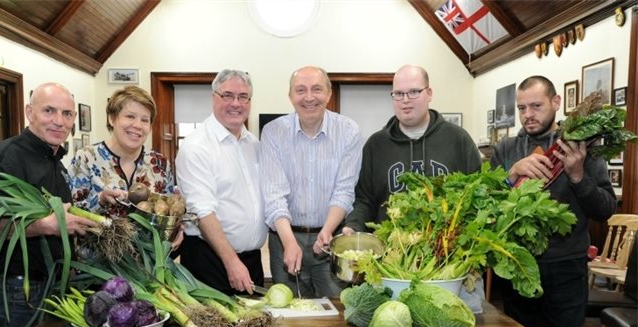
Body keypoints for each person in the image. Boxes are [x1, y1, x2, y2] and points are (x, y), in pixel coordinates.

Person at [490, 75, 616, 327]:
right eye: (522, 108)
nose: (528, 114)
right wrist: (510, 175)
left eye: (536, 106)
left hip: (566, 268)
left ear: (556, 103)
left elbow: (604, 209)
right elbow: (488, 204)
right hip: (518, 268)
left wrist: (577, 176)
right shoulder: (506, 149)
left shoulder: (583, 145)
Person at [0, 82, 96, 327]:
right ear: (30, 112)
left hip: (50, 283)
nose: (59, 120)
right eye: (49, 111)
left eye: (67, 114)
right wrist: (50, 226)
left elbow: (57, 211)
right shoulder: (6, 158)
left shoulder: (52, 158)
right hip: (16, 287)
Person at [259, 66, 362, 298]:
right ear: (290, 96)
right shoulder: (273, 132)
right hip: (284, 238)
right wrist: (289, 242)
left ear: (328, 93)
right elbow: (274, 195)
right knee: (289, 315)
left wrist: (327, 231)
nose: (309, 97)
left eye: (316, 89)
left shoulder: (348, 131)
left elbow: (344, 191)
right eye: (300, 90)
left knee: (337, 312)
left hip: (330, 239)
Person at [343, 65, 481, 232]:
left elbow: (476, 195)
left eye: (414, 92)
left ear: (429, 93)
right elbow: (364, 200)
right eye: (398, 94)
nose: (405, 100)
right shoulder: (375, 145)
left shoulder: (459, 140)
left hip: (446, 249)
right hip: (389, 251)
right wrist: (352, 226)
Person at [175, 69, 267, 295]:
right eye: (227, 95)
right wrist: (232, 262)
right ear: (213, 97)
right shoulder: (197, 146)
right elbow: (202, 212)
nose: (236, 103)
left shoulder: (254, 144)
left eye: (243, 96)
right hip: (211, 261)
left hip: (251, 262)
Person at [67, 86, 177, 218]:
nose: (137, 125)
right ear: (112, 119)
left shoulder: (160, 163)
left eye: (145, 120)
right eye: (130, 116)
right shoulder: (86, 158)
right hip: (97, 239)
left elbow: (170, 212)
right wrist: (100, 200)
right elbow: (68, 212)